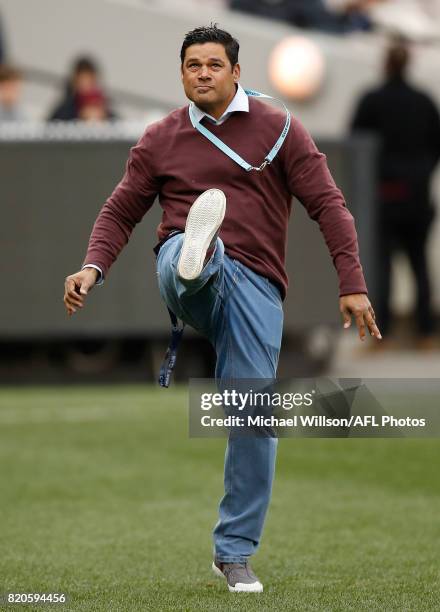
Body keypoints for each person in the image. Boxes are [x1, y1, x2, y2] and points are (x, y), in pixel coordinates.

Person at [64, 24, 381, 593]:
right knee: (187, 261)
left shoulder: (281, 128)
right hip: (182, 274)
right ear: (182, 74)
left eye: (214, 64)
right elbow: (119, 212)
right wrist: (93, 267)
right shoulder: (160, 138)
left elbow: (330, 206)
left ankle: (233, 553)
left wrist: (351, 282)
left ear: (237, 72)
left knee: (253, 418)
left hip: (258, 286)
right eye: (193, 65)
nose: (203, 73)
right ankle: (199, 254)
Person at [351, 40, 440, 346]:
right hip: (417, 197)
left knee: (381, 268)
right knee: (420, 266)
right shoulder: (424, 101)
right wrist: (420, 174)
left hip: (384, 195)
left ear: (386, 63)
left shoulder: (371, 101)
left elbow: (357, 146)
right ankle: (426, 333)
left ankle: (381, 335)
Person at [49, 56, 116, 121]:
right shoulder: (65, 110)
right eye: (81, 82)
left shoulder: (104, 106)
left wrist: (103, 118)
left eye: (89, 81)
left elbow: (118, 125)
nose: (85, 87)